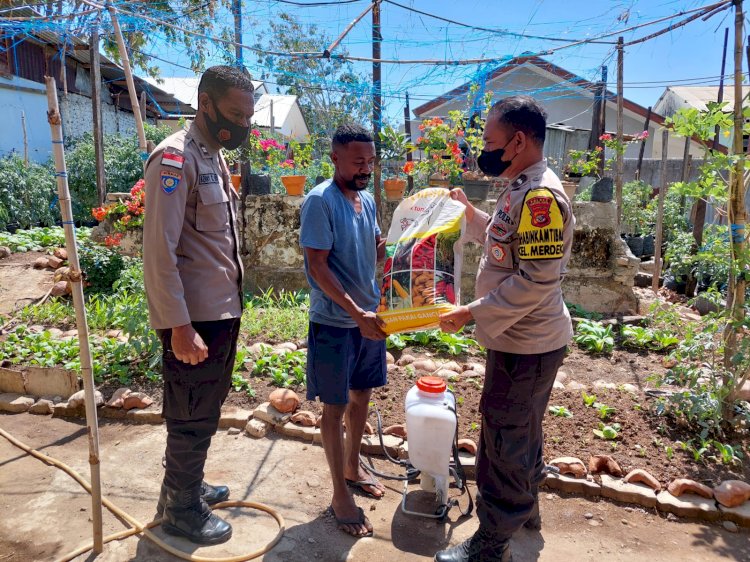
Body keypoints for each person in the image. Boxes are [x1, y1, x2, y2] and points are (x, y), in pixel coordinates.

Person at [435, 96, 575, 562]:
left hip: (528, 343)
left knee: (504, 439)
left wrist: (471, 312)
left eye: (492, 142)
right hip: (520, 339)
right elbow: (501, 244)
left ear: (518, 140)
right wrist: (467, 212)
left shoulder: (540, 198)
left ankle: (491, 544)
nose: (485, 150)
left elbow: (536, 280)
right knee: (522, 430)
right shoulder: (519, 185)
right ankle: (526, 510)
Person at [143, 65, 254, 545]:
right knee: (190, 413)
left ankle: (185, 484)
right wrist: (178, 326)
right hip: (195, 319)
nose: (243, 125)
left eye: (248, 116)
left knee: (204, 408)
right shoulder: (174, 159)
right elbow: (158, 252)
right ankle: (182, 510)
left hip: (220, 310)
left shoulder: (214, 155)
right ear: (204, 104)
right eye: (234, 114)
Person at [300, 123, 389, 538]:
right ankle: (339, 494)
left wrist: (396, 249)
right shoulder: (320, 201)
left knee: (362, 395)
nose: (365, 169)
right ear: (334, 157)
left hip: (367, 319)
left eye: (370, 161)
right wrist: (356, 313)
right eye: (357, 162)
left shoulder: (367, 200)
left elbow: (373, 247)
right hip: (336, 323)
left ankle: (353, 468)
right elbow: (318, 267)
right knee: (334, 409)